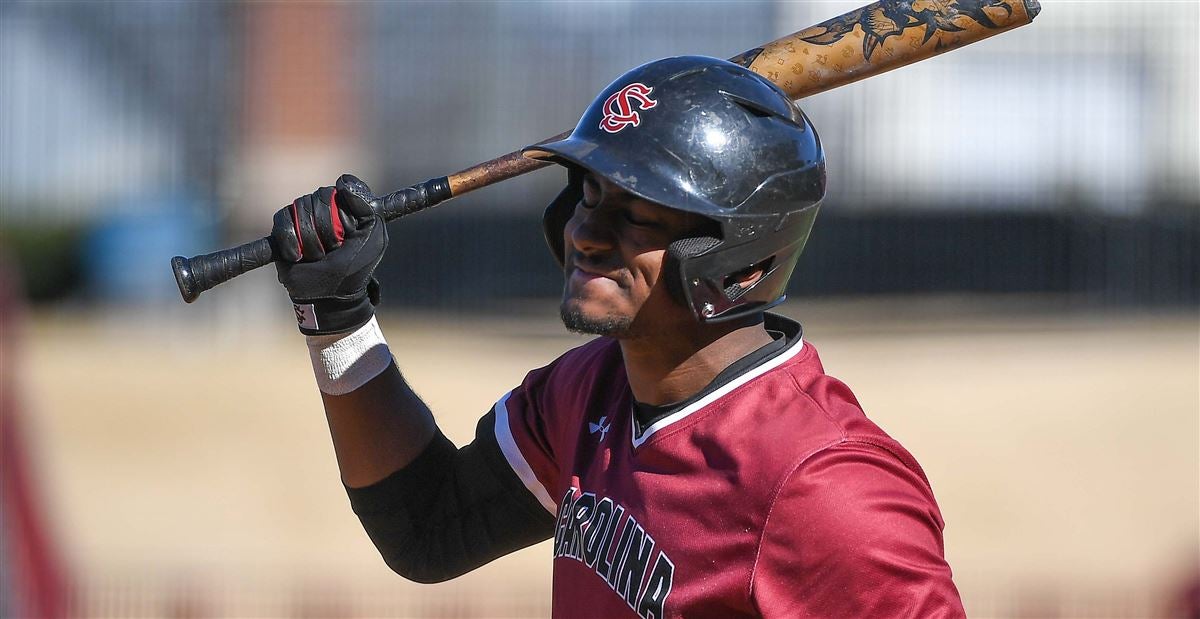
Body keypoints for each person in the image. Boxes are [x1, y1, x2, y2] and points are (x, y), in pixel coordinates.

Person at [271, 56, 965, 617]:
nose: (585, 232)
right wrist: (339, 316)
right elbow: (428, 527)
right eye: (591, 198)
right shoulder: (587, 392)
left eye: (637, 216)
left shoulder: (824, 488)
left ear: (742, 257)